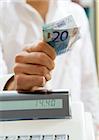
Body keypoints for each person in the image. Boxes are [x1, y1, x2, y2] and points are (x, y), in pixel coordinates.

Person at [0, 0, 99, 128]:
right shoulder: (3, 13)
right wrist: (13, 84)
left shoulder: (76, 14)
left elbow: (88, 84)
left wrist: (94, 132)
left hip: (72, 129)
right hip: (20, 132)